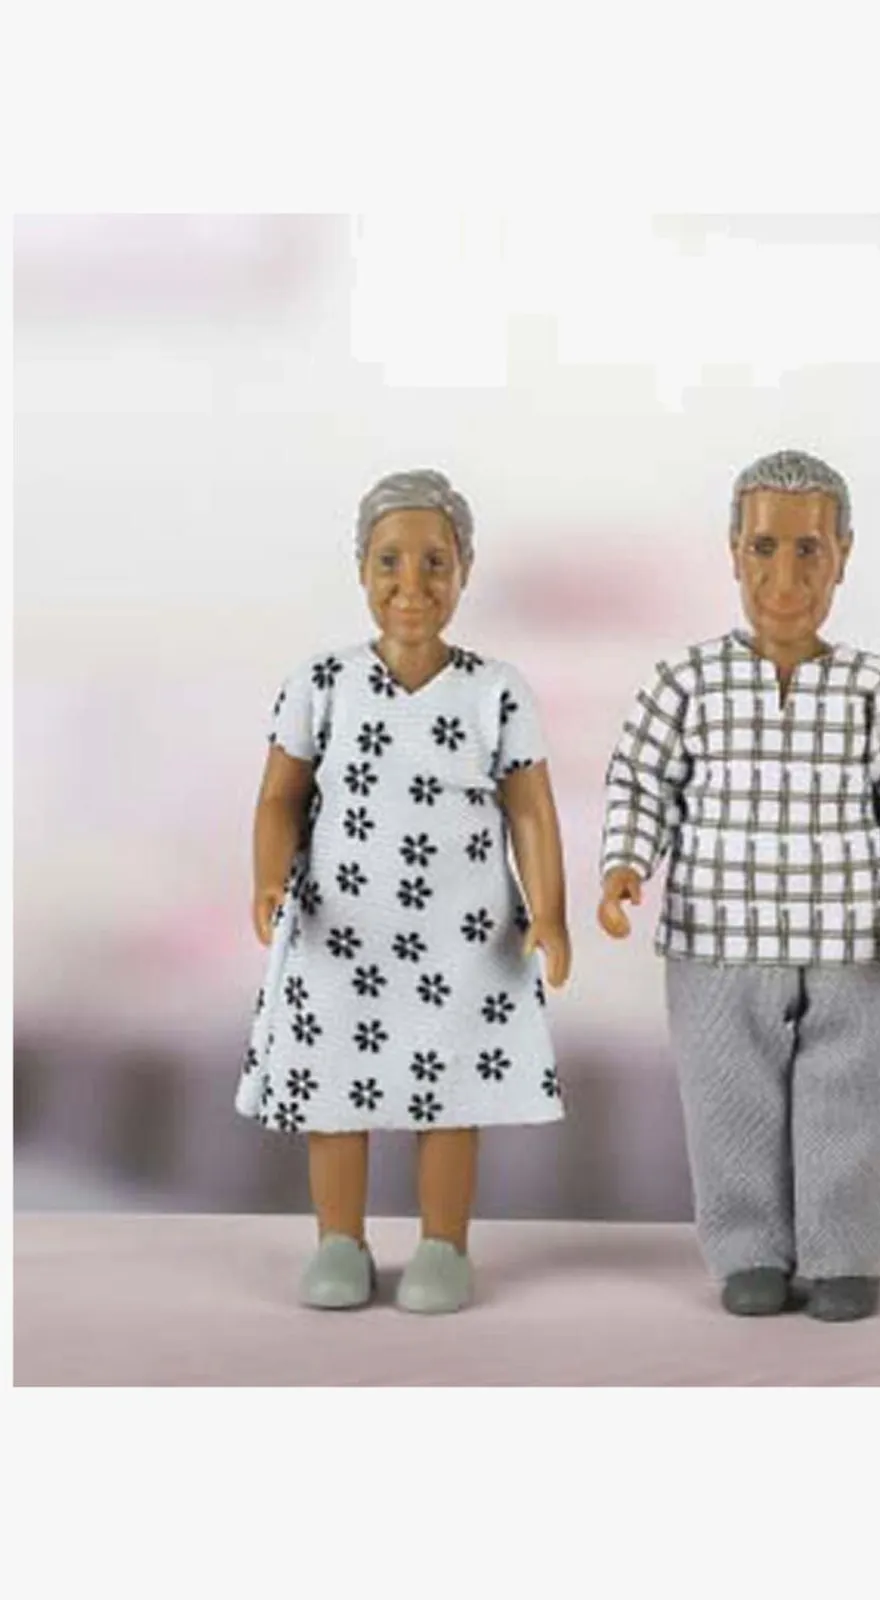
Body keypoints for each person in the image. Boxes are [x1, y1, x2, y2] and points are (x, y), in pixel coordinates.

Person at [598, 449, 880, 1320]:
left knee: (853, 1100)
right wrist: (626, 863)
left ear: (843, 555)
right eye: (764, 548)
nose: (785, 576)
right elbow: (640, 781)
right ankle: (748, 1252)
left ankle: (844, 1254)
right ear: (733, 553)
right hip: (717, 939)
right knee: (728, 1103)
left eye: (809, 550)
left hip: (851, 940)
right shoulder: (685, 683)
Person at [239, 469, 571, 1314]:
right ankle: (339, 1241)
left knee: (451, 1090)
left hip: (464, 932)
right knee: (335, 1090)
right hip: (341, 928)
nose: (412, 584)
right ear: (361, 568)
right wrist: (269, 877)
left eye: (435, 562)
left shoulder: (496, 690)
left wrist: (551, 912)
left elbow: (529, 807)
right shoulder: (322, 682)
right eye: (390, 560)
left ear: (465, 571)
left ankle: (443, 1244)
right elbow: (280, 795)